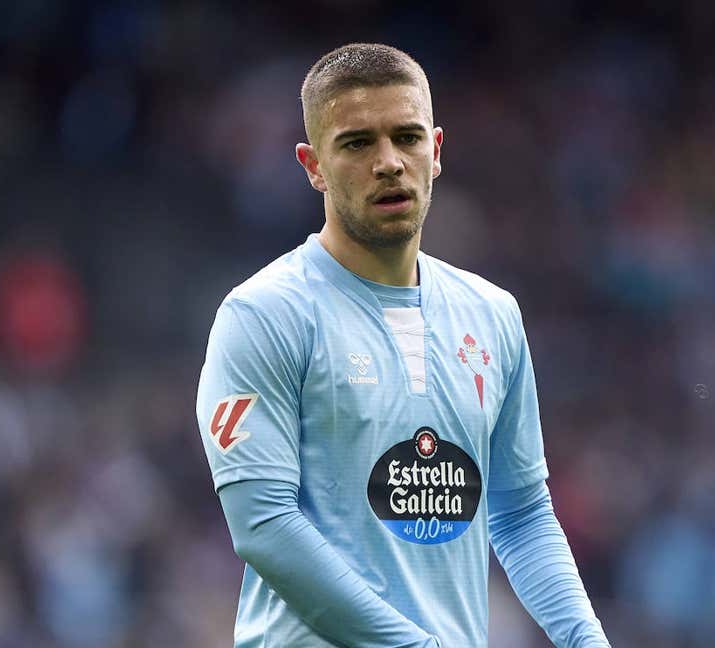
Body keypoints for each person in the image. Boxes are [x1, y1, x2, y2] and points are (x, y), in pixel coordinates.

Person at [195, 43, 611, 647]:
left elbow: (520, 514)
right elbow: (263, 526)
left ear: (435, 151)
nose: (389, 162)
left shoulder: (492, 315)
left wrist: (587, 641)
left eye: (407, 138)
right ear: (313, 164)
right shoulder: (264, 314)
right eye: (358, 143)